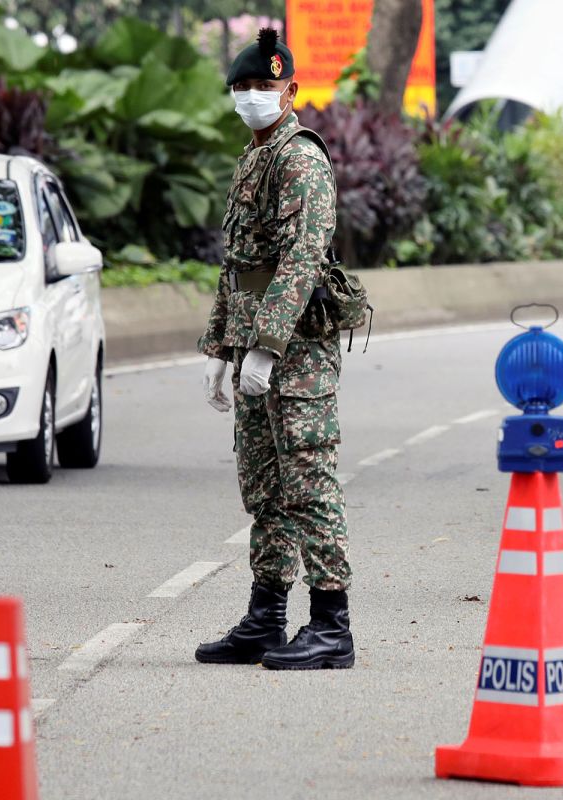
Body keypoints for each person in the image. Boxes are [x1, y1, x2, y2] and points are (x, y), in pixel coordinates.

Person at [195, 28, 355, 669]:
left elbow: (300, 260)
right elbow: (238, 266)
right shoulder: (253, 157)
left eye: (266, 86)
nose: (253, 97)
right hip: (252, 345)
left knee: (308, 483)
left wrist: (264, 347)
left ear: (292, 90)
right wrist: (218, 346)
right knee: (263, 489)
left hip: (298, 354)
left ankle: (332, 625)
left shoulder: (300, 158)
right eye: (244, 87)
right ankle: (266, 618)